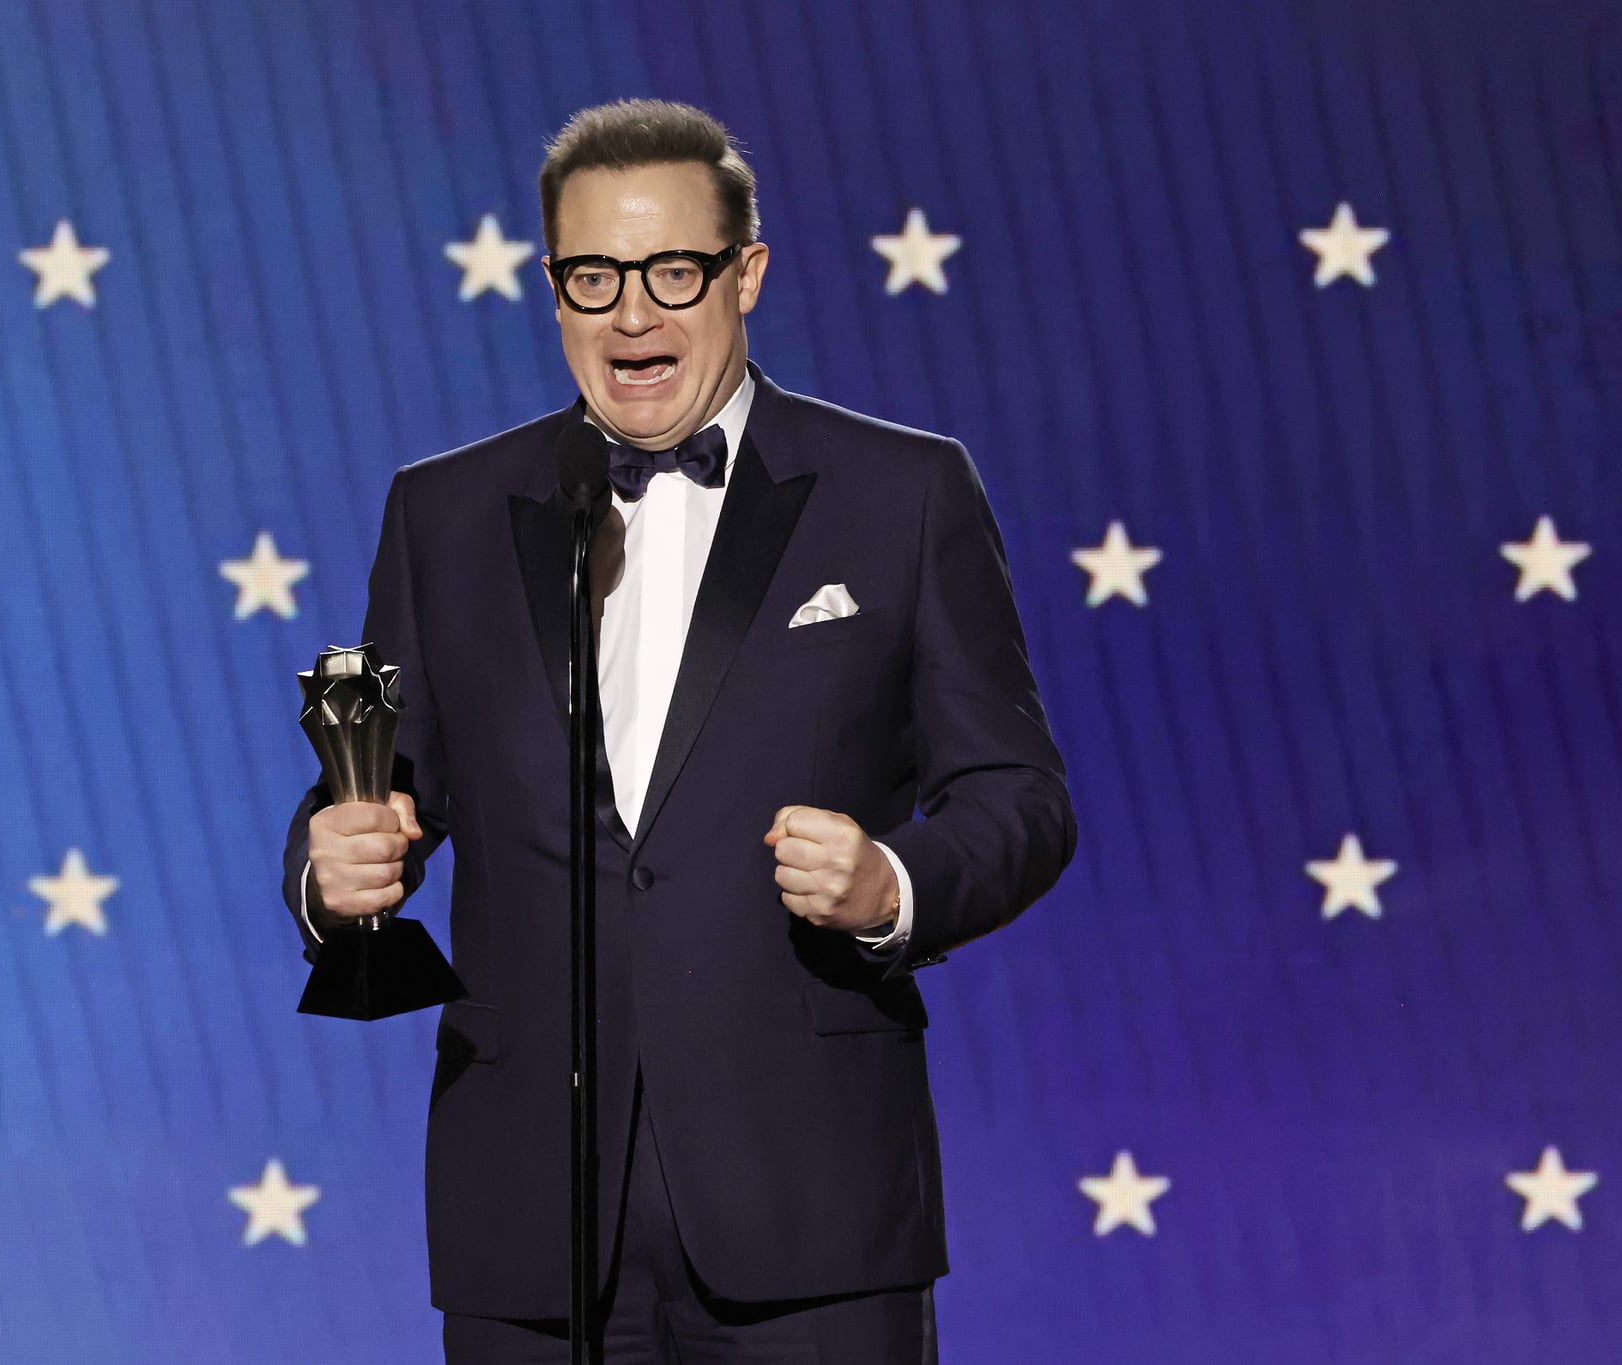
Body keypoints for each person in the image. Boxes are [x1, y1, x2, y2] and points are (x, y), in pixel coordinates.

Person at [281, 99, 1076, 1364]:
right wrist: (330, 873)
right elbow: (375, 787)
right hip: (528, 1213)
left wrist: (890, 883)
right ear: (551, 287)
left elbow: (1021, 798)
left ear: (744, 273)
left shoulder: (901, 493)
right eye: (592, 276)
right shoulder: (442, 513)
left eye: (671, 271)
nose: (631, 313)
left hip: (808, 1207)